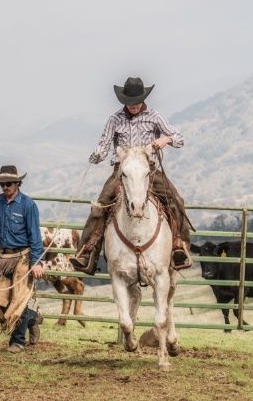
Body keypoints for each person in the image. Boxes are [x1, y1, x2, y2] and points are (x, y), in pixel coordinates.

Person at [70, 76, 193, 274]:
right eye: (129, 103)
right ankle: (87, 251)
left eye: (136, 102)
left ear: (143, 99)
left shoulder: (154, 116)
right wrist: (98, 154)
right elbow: (104, 143)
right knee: (101, 205)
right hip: (122, 170)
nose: (133, 106)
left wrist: (166, 139)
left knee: (175, 199)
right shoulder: (114, 119)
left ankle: (180, 245)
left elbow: (180, 138)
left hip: (148, 170)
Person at [0, 165, 44, 353]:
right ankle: (31, 317)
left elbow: (35, 235)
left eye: (8, 183)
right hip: (4, 256)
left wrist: (36, 262)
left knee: (18, 298)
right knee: (0, 299)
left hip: (24, 257)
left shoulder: (28, 205)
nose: (4, 187)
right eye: (2, 184)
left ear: (17, 183)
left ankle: (17, 341)